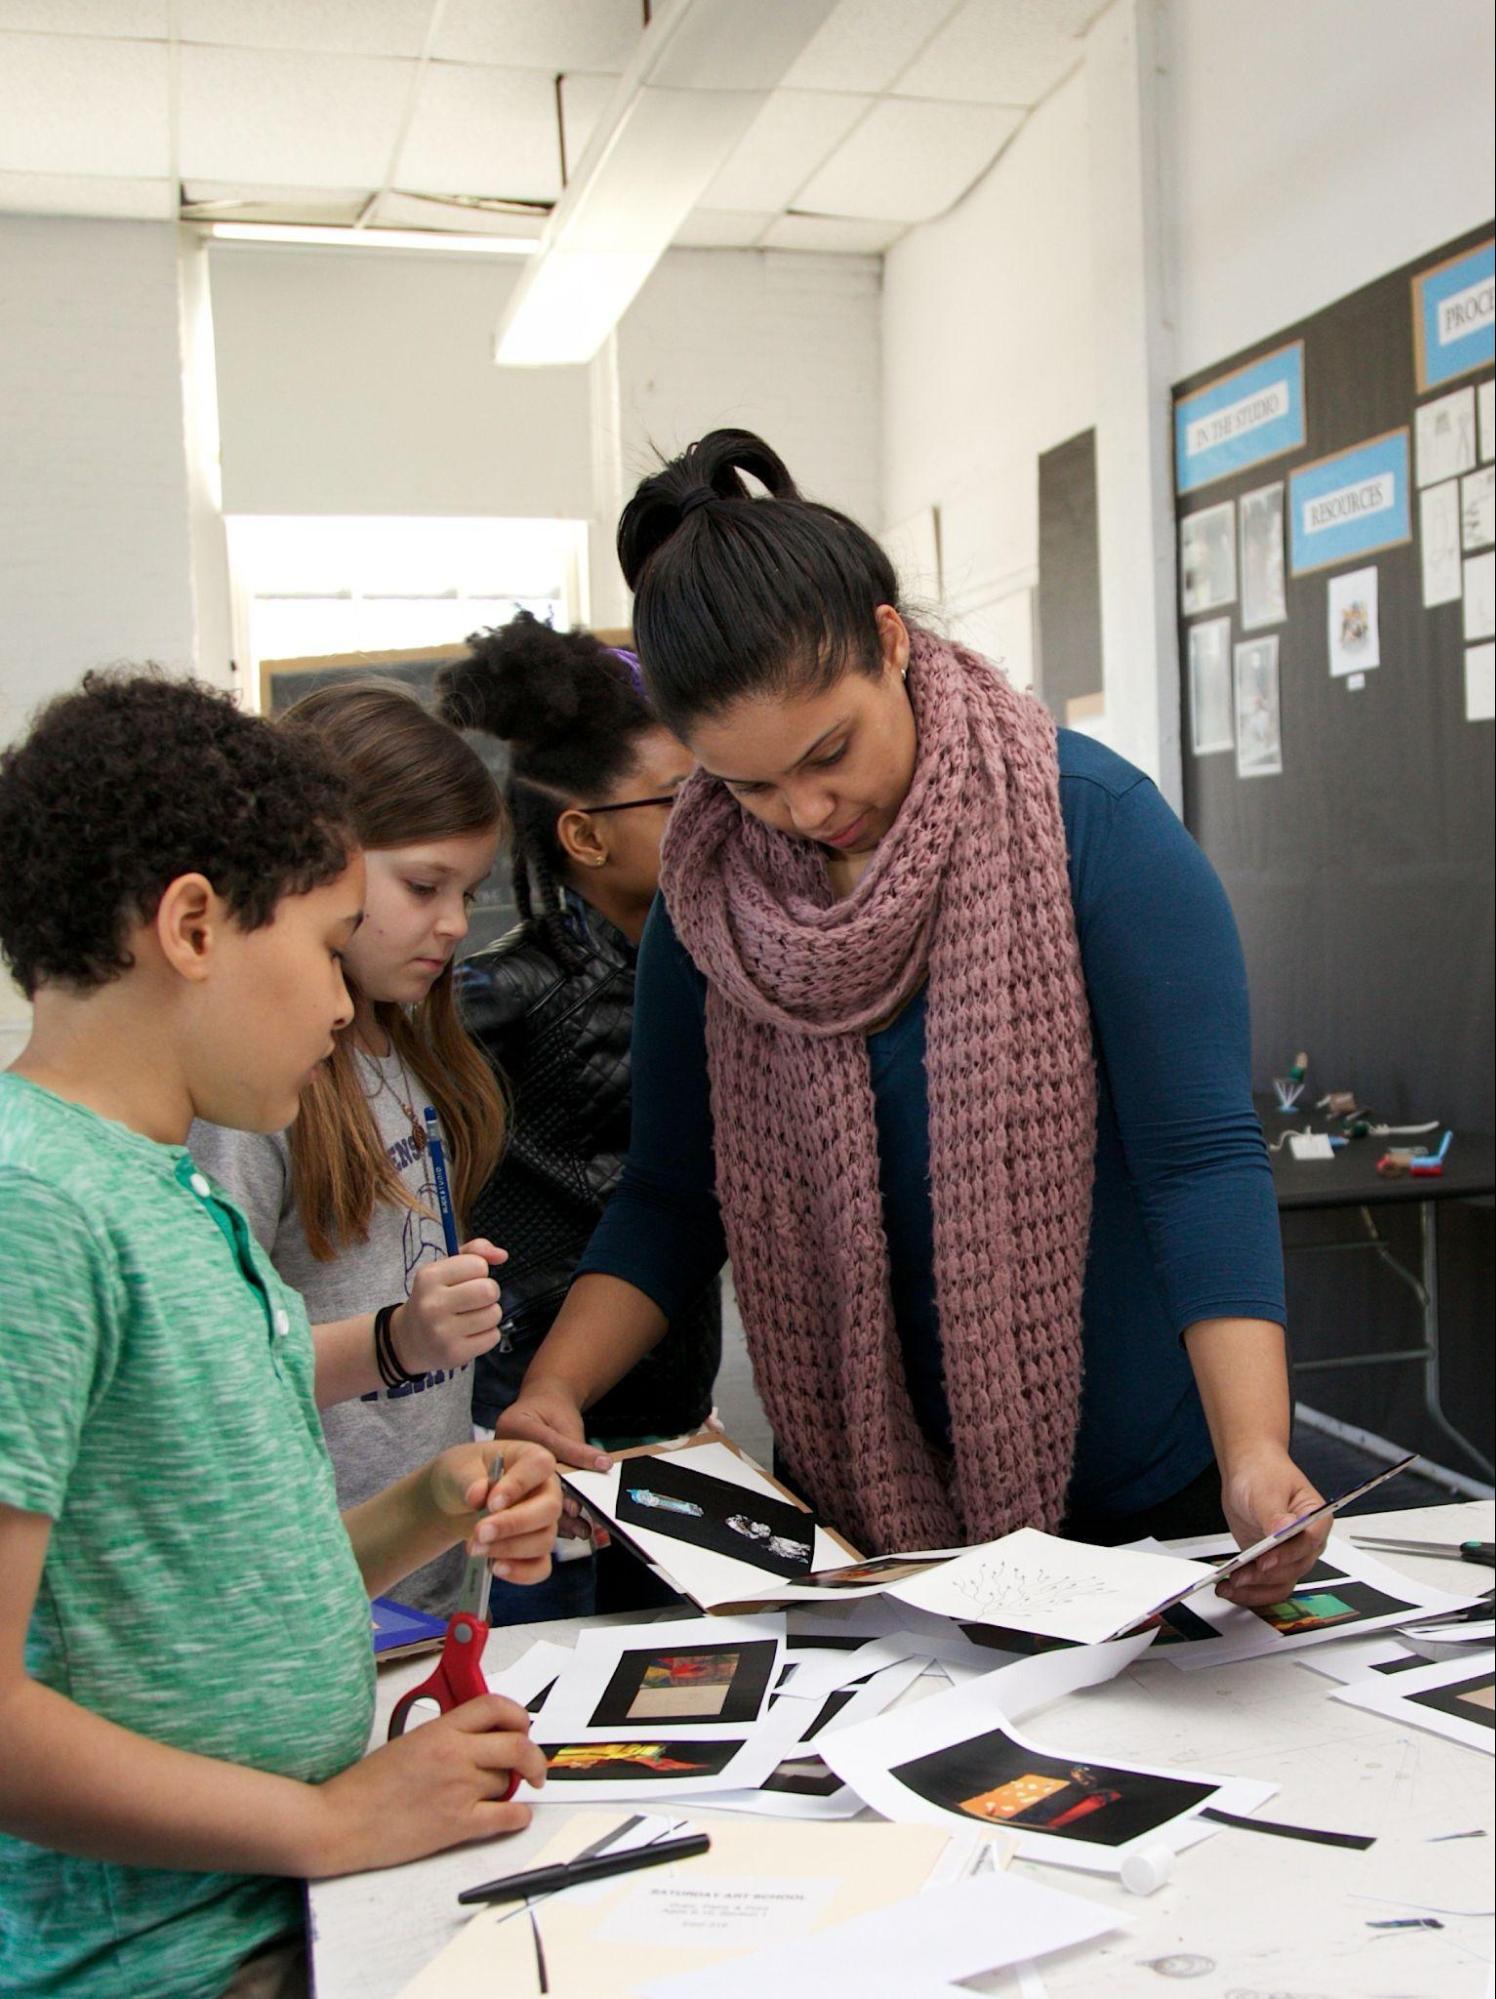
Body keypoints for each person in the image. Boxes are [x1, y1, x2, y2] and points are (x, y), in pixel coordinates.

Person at [499, 428, 1331, 1610]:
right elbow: (674, 1196)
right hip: (857, 1508)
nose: (802, 808)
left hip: (1136, 1496)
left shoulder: (1088, 826)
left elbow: (1197, 1161)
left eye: (827, 751)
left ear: (888, 642)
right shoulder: (709, 902)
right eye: (743, 783)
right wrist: (556, 1391)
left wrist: (1254, 1449)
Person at [0, 672, 559, 1999]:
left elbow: (226, 1584)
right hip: (162, 1958)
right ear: (192, 923)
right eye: (323, 944)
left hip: (280, 1908)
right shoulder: (35, 1207)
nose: (334, 1003)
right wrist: (332, 1818)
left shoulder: (167, 1193)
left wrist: (438, 1493)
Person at [191, 682, 509, 1615]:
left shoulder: (400, 1045)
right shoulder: (251, 1094)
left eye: (469, 893)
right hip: (314, 1580)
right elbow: (225, 1359)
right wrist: (401, 1339)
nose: (453, 922)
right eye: (423, 886)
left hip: (429, 1571)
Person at [437, 615, 722, 1617]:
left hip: (668, 1406)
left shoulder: (710, 963)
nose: (716, 819)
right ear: (585, 834)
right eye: (684, 798)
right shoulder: (504, 989)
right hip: (529, 1409)